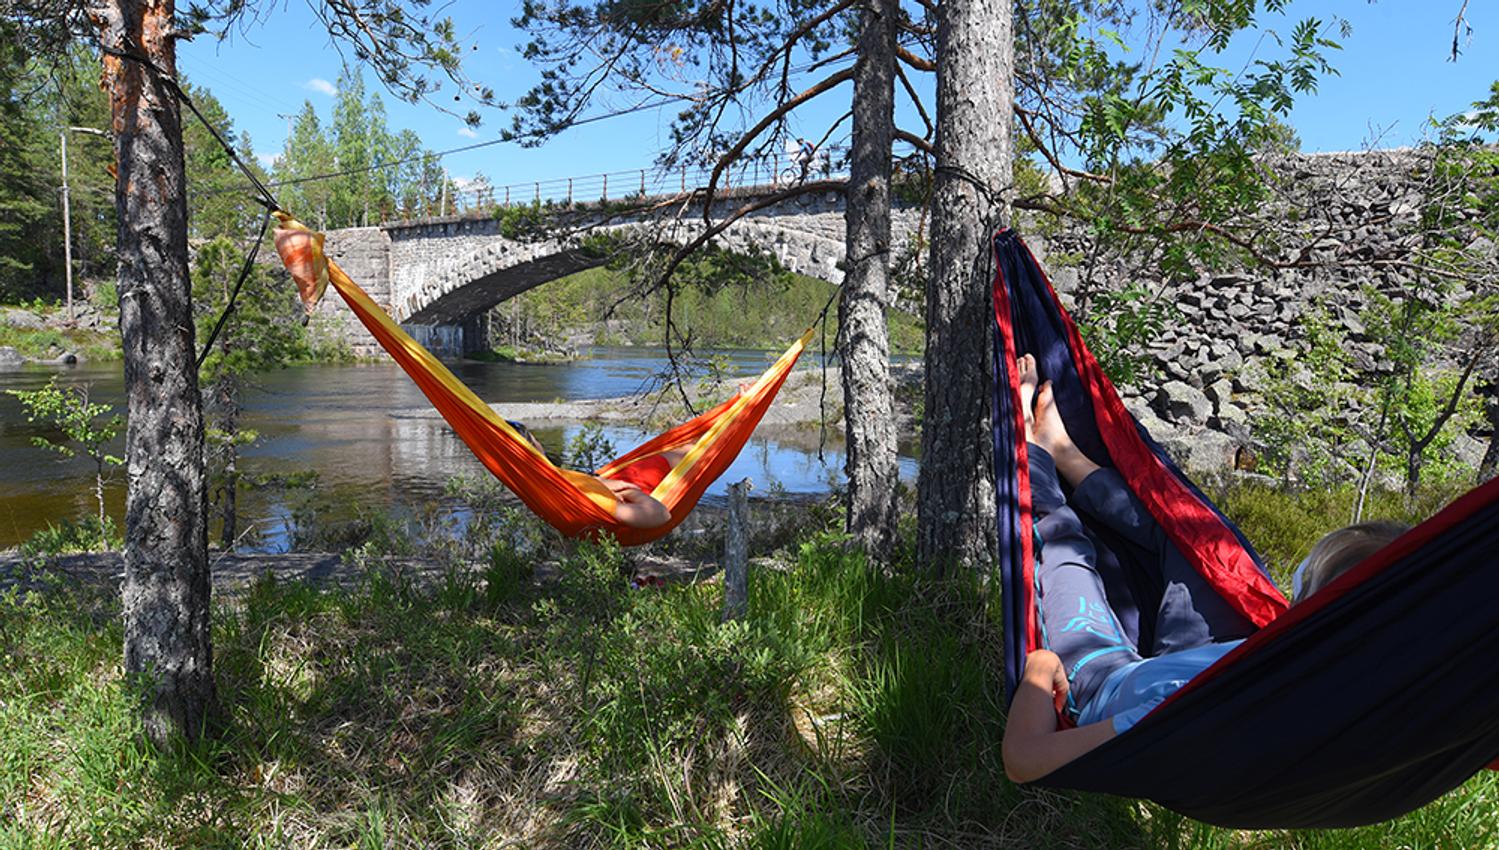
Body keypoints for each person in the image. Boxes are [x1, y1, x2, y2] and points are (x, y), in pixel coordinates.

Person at [1000, 353, 1408, 784]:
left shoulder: (1195, 715)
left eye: (1304, 588)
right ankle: (1066, 453)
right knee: (1195, 538)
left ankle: (1037, 454)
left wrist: (1041, 665)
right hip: (1221, 658)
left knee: (1066, 549)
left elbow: (1026, 760)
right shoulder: (1356, 677)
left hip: (1108, 681)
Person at [505, 419, 683, 530]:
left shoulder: (546, 480)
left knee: (692, 447)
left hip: (612, 479)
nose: (539, 443)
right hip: (640, 484)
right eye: (535, 440)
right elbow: (661, 515)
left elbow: (577, 487)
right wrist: (628, 491)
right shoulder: (594, 502)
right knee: (696, 451)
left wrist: (602, 483)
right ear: (534, 449)